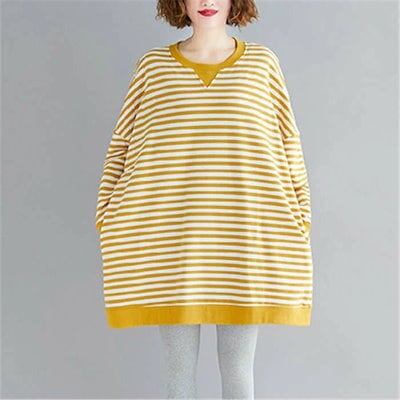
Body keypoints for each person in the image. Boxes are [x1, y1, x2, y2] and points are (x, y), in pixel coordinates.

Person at [95, 0, 313, 398]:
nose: (207, 2)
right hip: (172, 242)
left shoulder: (262, 64)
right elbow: (122, 144)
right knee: (178, 372)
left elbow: (288, 143)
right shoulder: (153, 68)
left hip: (242, 241)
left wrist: (301, 216)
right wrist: (106, 212)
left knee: (238, 370)